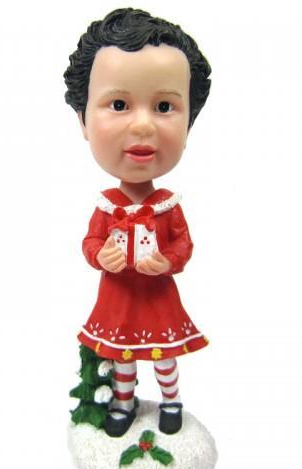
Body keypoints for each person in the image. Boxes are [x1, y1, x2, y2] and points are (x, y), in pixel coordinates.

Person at [64, 7, 212, 437]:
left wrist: (168, 262)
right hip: (119, 297)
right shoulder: (106, 205)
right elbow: (91, 240)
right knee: (123, 354)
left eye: (165, 106)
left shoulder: (167, 205)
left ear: (189, 123)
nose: (143, 124)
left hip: (156, 294)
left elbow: (183, 244)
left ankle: (171, 401)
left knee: (164, 353)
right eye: (119, 104)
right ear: (83, 120)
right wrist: (100, 256)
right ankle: (123, 403)